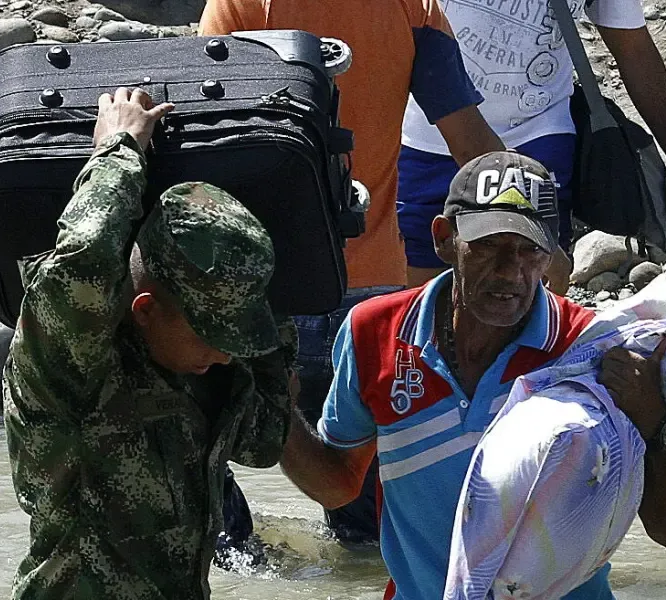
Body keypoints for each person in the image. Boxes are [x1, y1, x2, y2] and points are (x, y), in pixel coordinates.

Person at [279, 152, 666, 599]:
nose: (509, 270)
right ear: (444, 239)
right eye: (487, 245)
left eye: (530, 250)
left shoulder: (589, 347)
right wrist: (275, 405)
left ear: (553, 256)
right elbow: (337, 487)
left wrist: (654, 419)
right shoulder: (374, 331)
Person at [198, 0, 508, 544]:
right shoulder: (413, 7)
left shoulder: (238, 5)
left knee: (207, 466)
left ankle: (246, 563)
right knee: (366, 524)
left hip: (268, 290)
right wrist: (529, 228)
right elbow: (471, 144)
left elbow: (207, 137)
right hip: (370, 300)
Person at [2, 87, 299, 600]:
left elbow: (263, 442)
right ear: (145, 310)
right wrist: (119, 151)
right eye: (212, 335)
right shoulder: (72, 370)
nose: (226, 353)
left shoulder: (206, 375)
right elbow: (84, 257)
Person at [396, 0, 666, 288]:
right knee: (416, 295)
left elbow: (633, 49)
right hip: (425, 139)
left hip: (538, 138)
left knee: (531, 286)